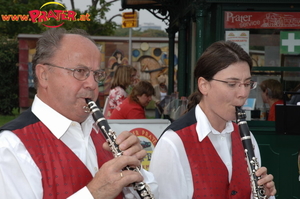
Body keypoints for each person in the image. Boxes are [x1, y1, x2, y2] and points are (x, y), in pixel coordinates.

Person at [0, 28, 157, 199]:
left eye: (96, 74)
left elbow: (155, 191)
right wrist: (94, 194)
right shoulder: (10, 147)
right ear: (44, 75)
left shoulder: (99, 131)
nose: (92, 84)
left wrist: (135, 171)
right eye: (80, 72)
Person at [149, 40, 276, 199]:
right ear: (203, 85)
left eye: (247, 84)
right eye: (232, 84)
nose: (243, 93)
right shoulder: (174, 143)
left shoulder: (247, 139)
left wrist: (266, 195)